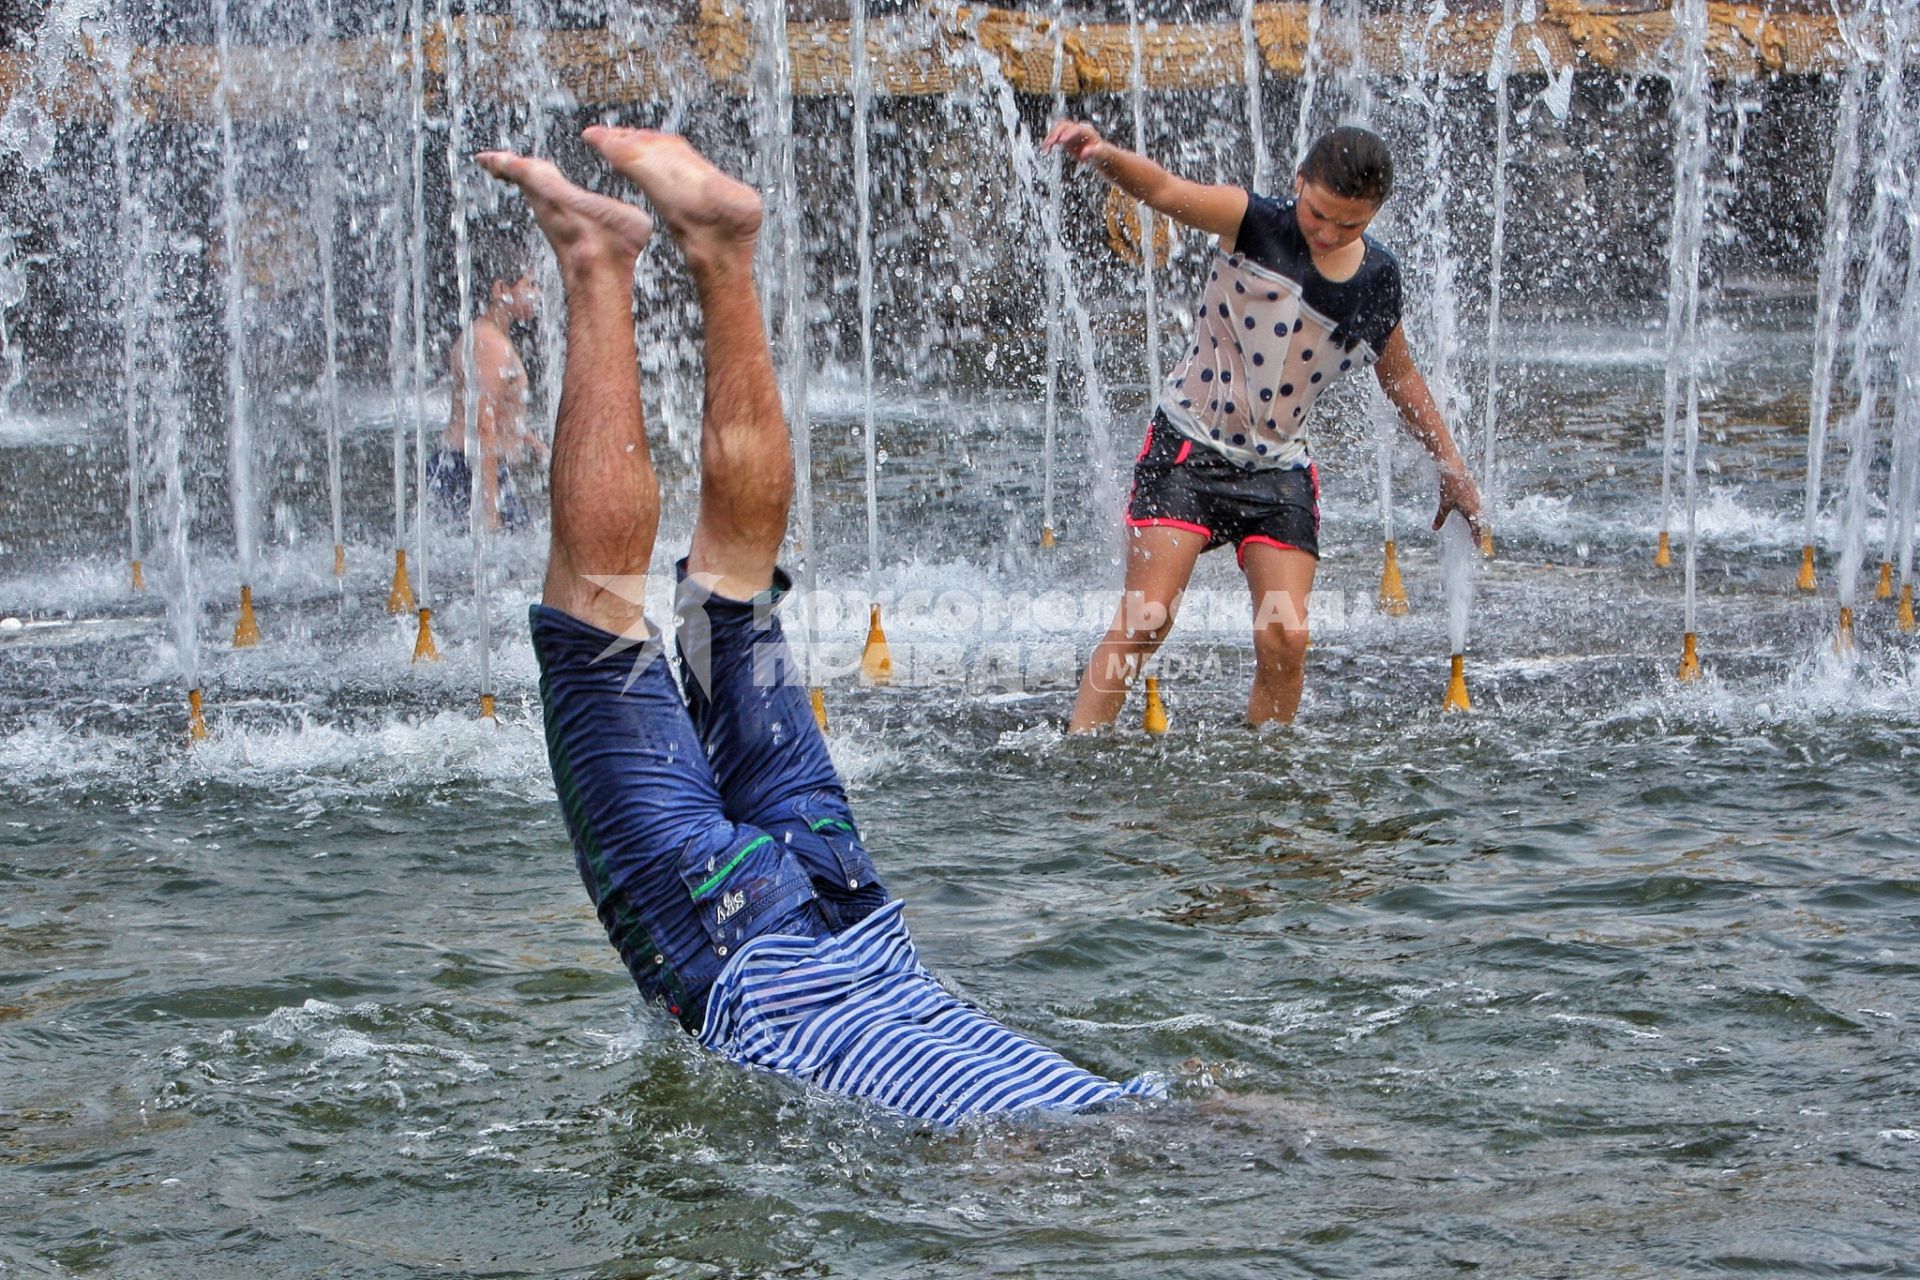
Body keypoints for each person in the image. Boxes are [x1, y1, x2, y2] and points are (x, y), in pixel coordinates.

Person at [479, 128, 1160, 1126]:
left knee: (732, 592)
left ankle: (722, 254)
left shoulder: (1130, 1103)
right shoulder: (1041, 1138)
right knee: (601, 611)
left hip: (854, 903)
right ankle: (595, 260)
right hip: (739, 958)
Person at [1041, 121, 1485, 731]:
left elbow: (1401, 376)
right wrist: (1103, 155)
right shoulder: (1254, 222)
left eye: (1349, 224)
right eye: (1318, 213)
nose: (1328, 234)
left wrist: (1451, 469)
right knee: (1146, 619)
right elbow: (1167, 192)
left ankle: (1267, 773)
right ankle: (1080, 750)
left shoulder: (1376, 280)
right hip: (1188, 448)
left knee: (1286, 637)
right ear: (1298, 184)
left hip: (1278, 471)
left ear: (1374, 214)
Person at [427, 267, 546, 531]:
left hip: (469, 467)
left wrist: (539, 448)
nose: (538, 294)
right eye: (531, 285)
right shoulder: (489, 343)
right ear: (501, 289)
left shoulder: (487, 336)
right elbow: (483, 423)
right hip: (467, 469)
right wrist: (489, 510)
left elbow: (499, 413)